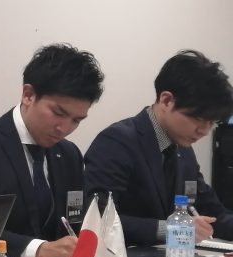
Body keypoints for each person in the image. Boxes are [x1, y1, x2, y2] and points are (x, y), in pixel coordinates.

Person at [0, 44, 104, 257]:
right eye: (58, 113)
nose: (65, 128)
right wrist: (39, 250)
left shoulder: (69, 155)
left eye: (76, 120)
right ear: (28, 95)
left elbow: (75, 222)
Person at [84, 50, 233, 246]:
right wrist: (171, 229)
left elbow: (213, 212)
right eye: (198, 118)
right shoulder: (117, 141)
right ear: (166, 100)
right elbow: (99, 218)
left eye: (212, 122)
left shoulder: (183, 150)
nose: (204, 131)